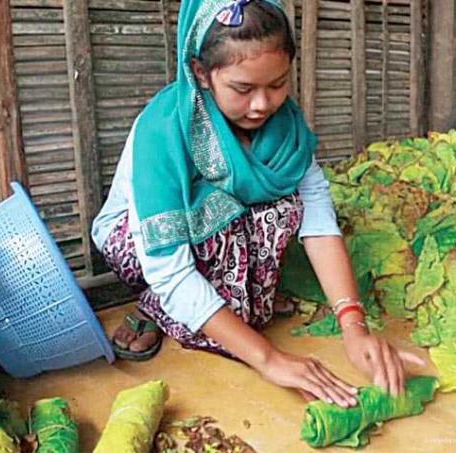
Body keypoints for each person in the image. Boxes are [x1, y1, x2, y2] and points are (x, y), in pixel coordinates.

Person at [91, 0, 424, 408]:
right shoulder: (163, 129)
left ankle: (225, 306)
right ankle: (159, 306)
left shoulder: (286, 129)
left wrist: (353, 324)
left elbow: (318, 220)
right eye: (243, 88)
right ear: (202, 73)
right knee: (223, 273)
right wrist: (268, 359)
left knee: (284, 207)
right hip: (141, 243)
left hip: (218, 238)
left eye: (278, 84)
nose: (262, 104)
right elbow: (168, 266)